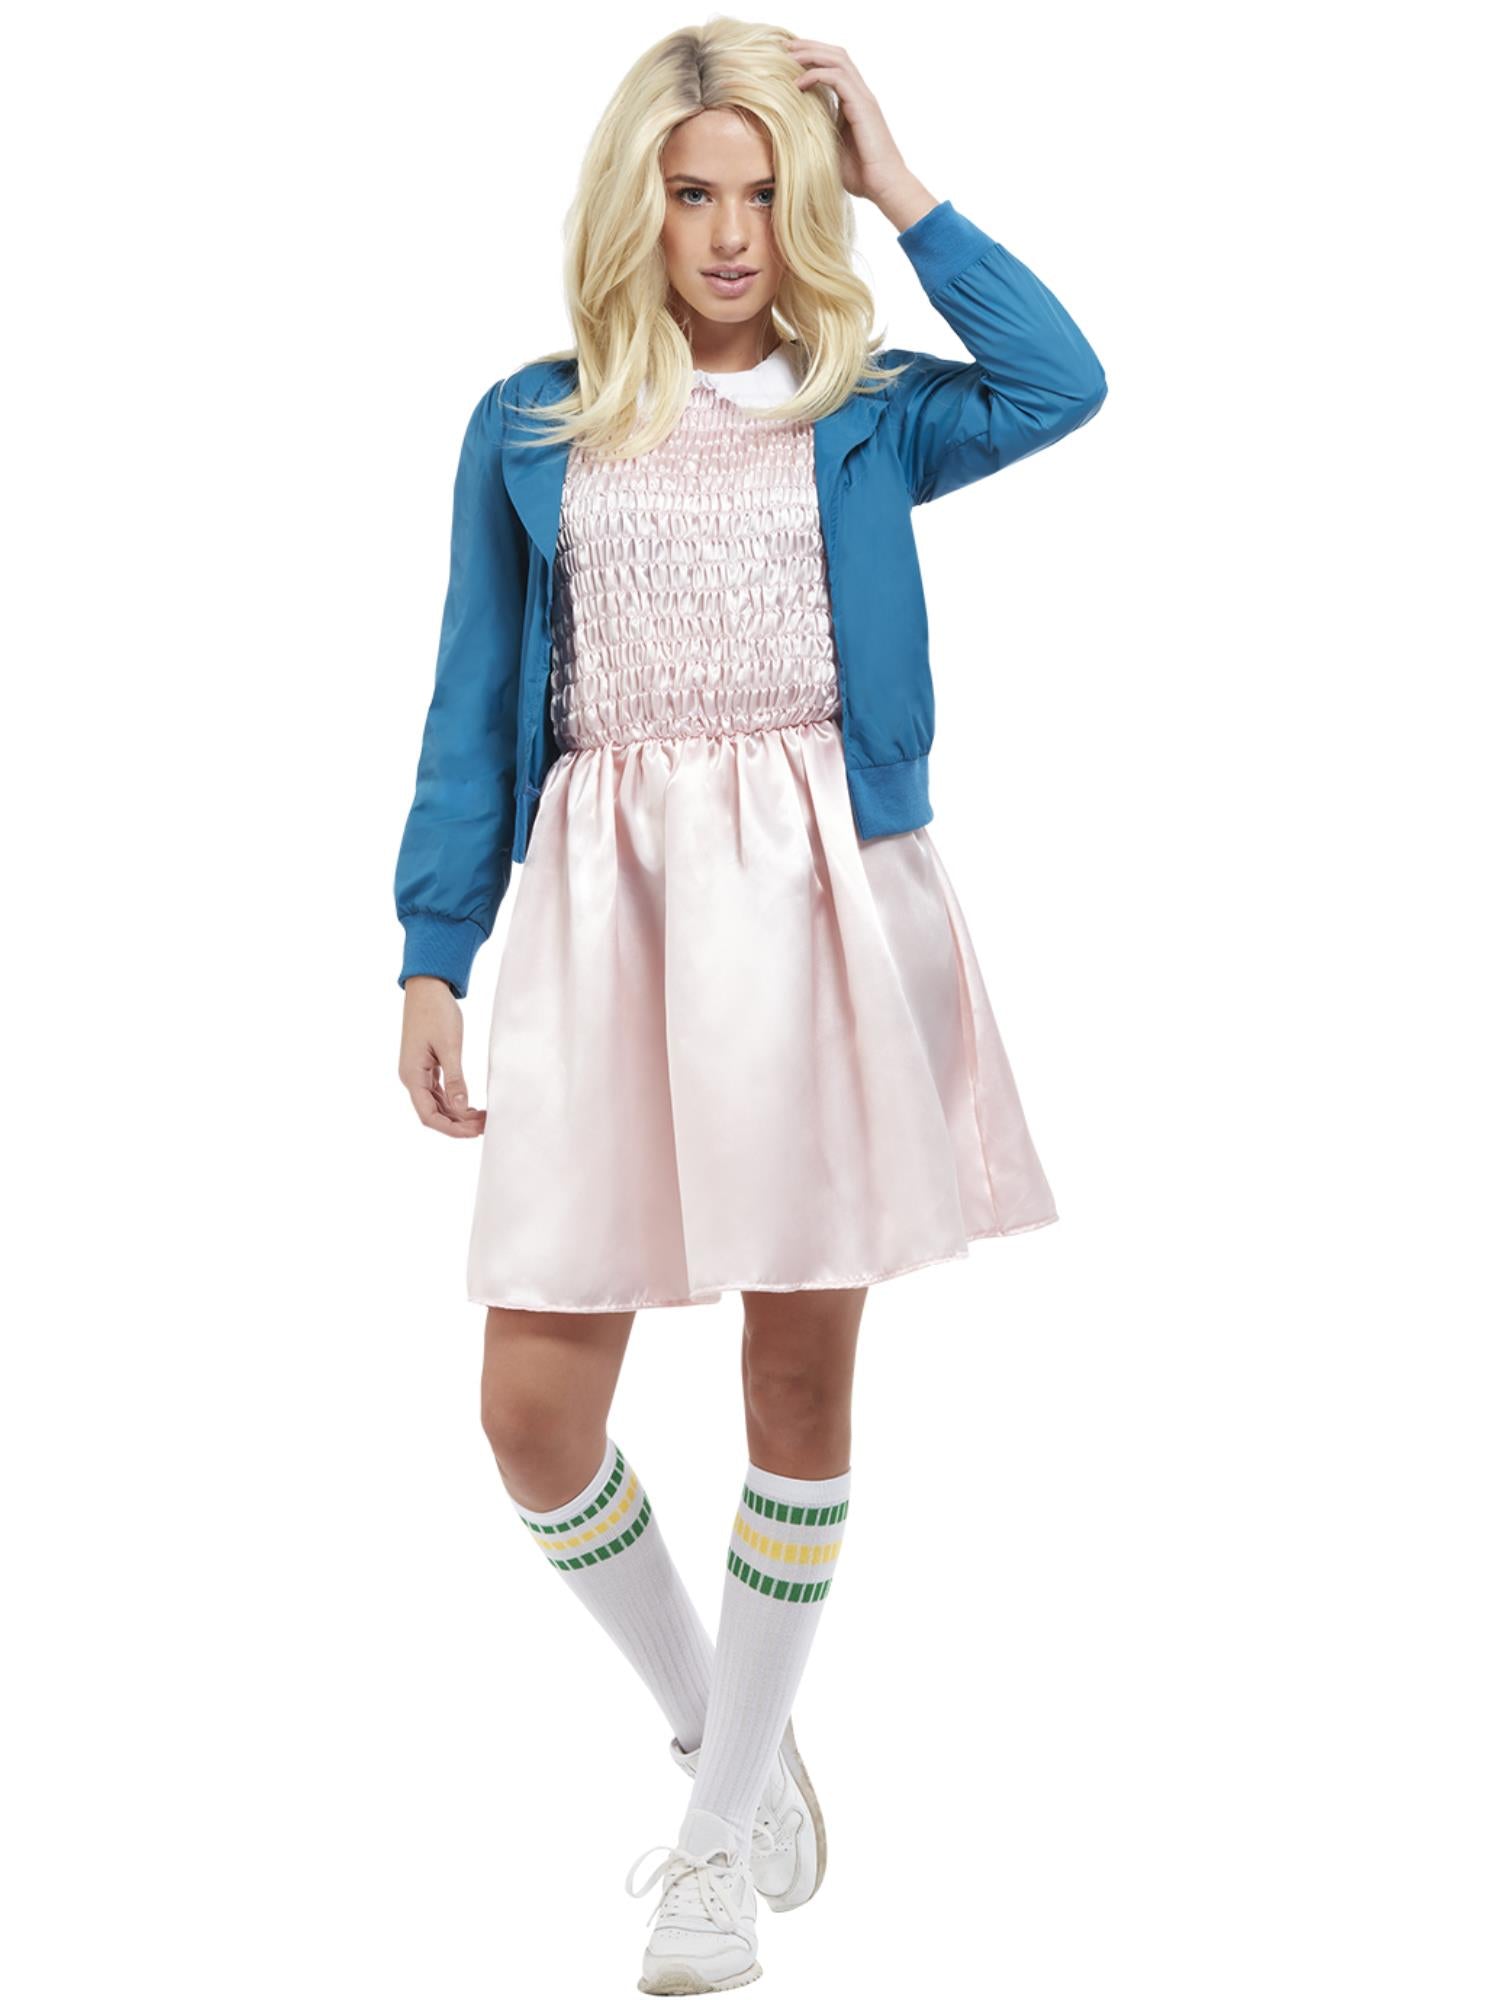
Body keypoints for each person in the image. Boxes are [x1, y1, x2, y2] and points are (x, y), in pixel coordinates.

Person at [393, 21, 1106, 1993]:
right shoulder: (530, 424)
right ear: (632, 203)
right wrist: (434, 947)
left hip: (818, 909)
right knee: (532, 1413)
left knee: (793, 1383)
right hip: (605, 917)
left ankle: (712, 1857)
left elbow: (1062, 380)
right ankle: (730, 1741)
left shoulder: (863, 409)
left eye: (768, 193)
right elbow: (471, 695)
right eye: (694, 191)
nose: (729, 233)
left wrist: (901, 178)